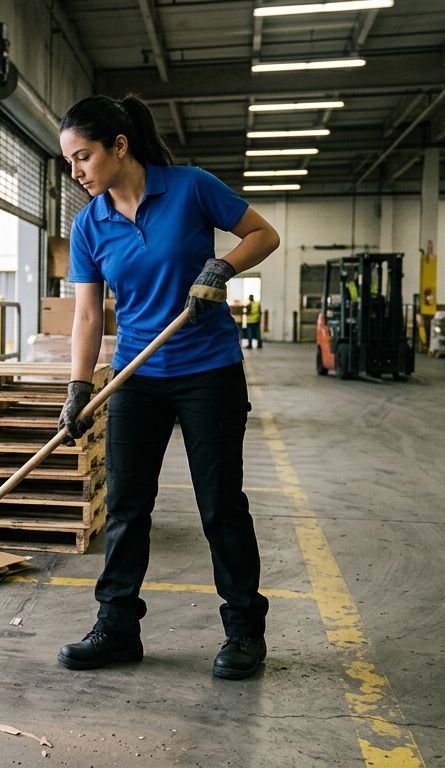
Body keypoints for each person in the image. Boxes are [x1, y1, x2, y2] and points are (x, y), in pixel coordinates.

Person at [54, 94, 280, 680]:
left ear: (119, 146)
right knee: (127, 507)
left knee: (220, 506)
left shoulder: (190, 187)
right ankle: (117, 627)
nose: (77, 172)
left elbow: (263, 234)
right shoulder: (89, 224)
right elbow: (86, 316)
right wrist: (79, 387)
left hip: (208, 373)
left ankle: (244, 633)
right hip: (136, 376)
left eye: (84, 157)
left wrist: (222, 267)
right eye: (70, 162)